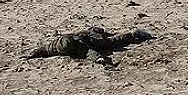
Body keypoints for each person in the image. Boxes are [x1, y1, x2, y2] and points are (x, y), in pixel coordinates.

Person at [22, 26, 153, 65]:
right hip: (89, 35)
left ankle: (135, 35)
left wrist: (99, 59)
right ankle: (134, 35)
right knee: (113, 40)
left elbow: (90, 52)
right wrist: (30, 55)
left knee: (114, 41)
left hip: (93, 39)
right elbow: (42, 50)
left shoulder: (75, 46)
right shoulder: (56, 46)